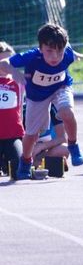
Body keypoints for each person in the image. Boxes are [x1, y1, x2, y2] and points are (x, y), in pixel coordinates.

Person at [0, 23, 83, 180]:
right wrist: (14, 72)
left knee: (67, 112)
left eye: (59, 51)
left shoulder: (66, 53)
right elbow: (3, 63)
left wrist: (76, 54)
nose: (55, 57)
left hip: (60, 88)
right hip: (37, 97)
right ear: (40, 48)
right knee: (32, 135)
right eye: (49, 51)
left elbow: (68, 48)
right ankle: (26, 160)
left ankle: (74, 145)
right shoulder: (32, 56)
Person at [0, 42, 24, 178]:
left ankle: (6, 164)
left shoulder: (19, 82)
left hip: (12, 136)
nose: (7, 66)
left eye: (10, 62)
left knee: (18, 170)